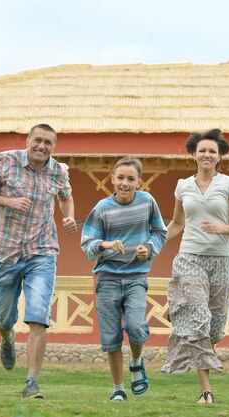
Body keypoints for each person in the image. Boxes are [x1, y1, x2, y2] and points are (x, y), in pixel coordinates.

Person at [0, 123, 77, 400]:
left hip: (42, 250)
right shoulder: (6, 160)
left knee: (39, 315)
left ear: (54, 147)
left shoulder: (59, 171)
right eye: (37, 140)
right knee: (6, 318)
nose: (42, 146)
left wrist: (69, 215)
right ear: (27, 140)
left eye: (48, 143)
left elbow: (66, 197)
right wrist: (8, 201)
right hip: (6, 250)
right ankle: (6, 337)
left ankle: (32, 383)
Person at [162, 128, 229, 404]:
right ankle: (206, 389)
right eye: (202, 150)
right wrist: (155, 240)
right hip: (190, 258)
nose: (207, 154)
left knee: (214, 328)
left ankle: (201, 356)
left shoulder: (228, 184)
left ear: (219, 156)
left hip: (222, 262)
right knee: (198, 317)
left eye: (212, 151)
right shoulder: (182, 185)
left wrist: (221, 228)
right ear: (194, 155)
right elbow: (177, 224)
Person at [81, 156, 167, 401]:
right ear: (112, 180)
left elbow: (160, 232)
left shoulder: (147, 202)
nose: (125, 183)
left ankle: (137, 360)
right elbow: (87, 244)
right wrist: (106, 244)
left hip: (136, 278)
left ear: (139, 182)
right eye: (120, 178)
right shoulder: (101, 208)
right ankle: (118, 389)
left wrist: (148, 248)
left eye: (131, 179)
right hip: (106, 279)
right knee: (111, 338)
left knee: (136, 326)